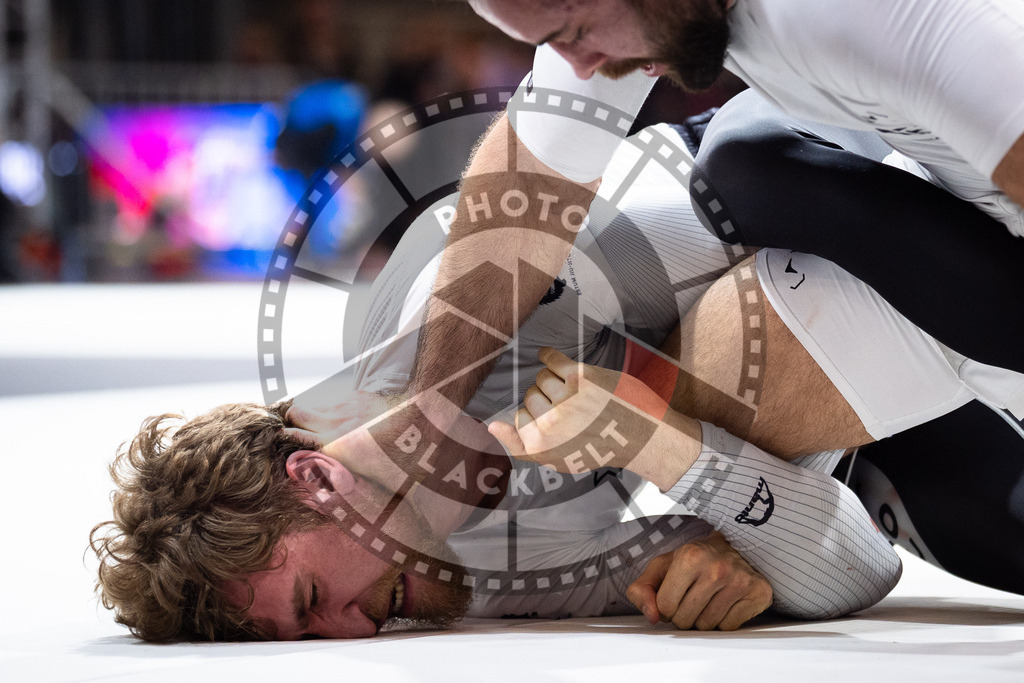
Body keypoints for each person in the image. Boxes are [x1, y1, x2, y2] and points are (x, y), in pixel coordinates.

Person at [92, 121, 928, 642]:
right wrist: (714, 529)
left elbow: (795, 217)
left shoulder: (469, 299)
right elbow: (862, 570)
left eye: (313, 597)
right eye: (307, 634)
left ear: (315, 476)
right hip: (892, 439)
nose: (350, 631)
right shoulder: (457, 581)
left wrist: (676, 447)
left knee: (719, 366)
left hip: (829, 166)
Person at [404, 0, 1024, 448]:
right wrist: (421, 416)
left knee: (744, 170)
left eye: (576, 33)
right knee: (741, 162)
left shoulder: (862, 17)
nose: (583, 65)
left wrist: (667, 454)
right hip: (954, 209)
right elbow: (530, 183)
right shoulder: (631, 16)